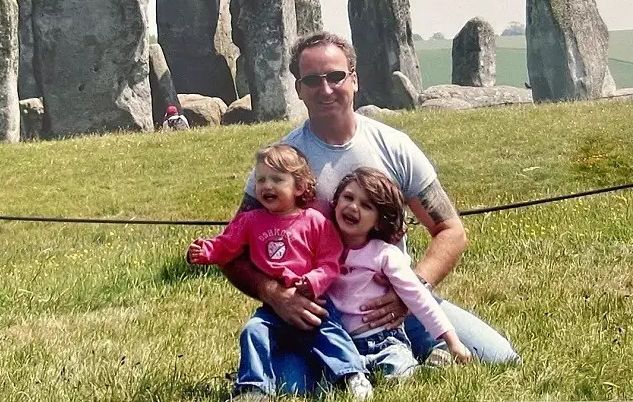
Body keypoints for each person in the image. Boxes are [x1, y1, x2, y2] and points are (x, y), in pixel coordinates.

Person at [221, 31, 519, 394]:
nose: (326, 89)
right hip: (318, 315)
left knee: (499, 357)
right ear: (298, 89)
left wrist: (411, 292)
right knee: (289, 387)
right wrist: (276, 296)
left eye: (335, 76)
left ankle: (408, 353)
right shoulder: (282, 163)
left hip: (393, 307)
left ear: (354, 79)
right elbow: (231, 250)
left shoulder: (393, 146)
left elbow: (451, 230)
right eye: (312, 80)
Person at [187, 144, 373, 400]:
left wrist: (314, 281)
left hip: (313, 300)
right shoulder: (250, 221)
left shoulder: (314, 221)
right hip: (273, 306)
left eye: (276, 179)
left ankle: (353, 374)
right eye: (261, 179)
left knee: (331, 334)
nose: (266, 186)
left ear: (298, 187)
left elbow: (331, 262)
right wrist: (206, 252)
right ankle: (253, 387)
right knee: (253, 331)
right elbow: (227, 244)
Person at [328, 167, 471, 378]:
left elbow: (418, 297)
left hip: (383, 340)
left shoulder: (384, 255)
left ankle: (431, 366)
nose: (353, 206)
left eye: (366, 205)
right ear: (335, 202)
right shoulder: (324, 251)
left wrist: (452, 341)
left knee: (398, 373)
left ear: (378, 221)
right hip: (342, 344)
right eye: (347, 197)